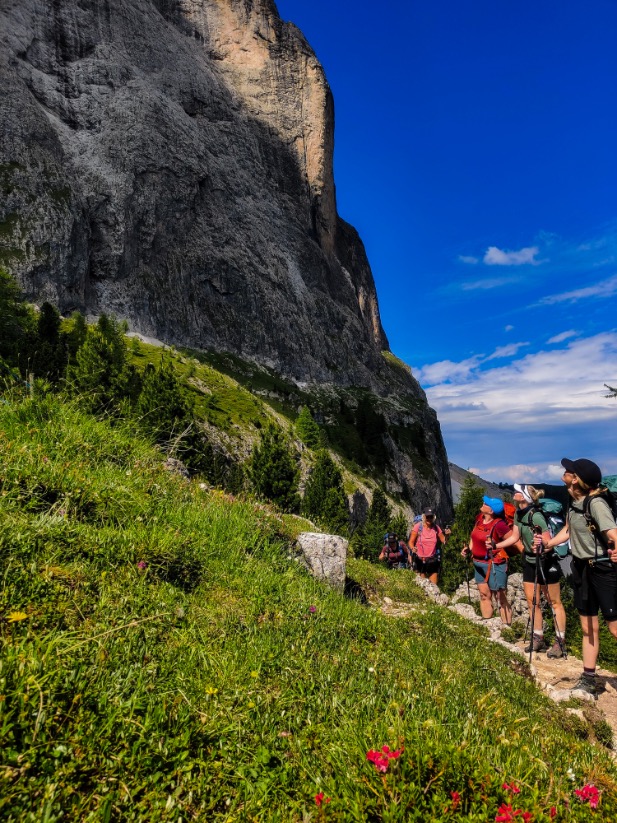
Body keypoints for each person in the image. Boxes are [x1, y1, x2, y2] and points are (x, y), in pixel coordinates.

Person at [542, 458, 617, 696]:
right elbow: (568, 529)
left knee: (615, 627)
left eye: (569, 470)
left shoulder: (595, 504)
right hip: (582, 568)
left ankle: (590, 678)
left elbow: (613, 533)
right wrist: (548, 544)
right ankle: (589, 677)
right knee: (588, 627)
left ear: (576, 479)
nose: (564, 471)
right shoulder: (574, 502)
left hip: (603, 570)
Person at [494, 484, 566, 657]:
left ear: (525, 497)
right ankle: (538, 637)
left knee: (554, 602)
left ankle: (560, 641)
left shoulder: (537, 516)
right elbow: (514, 537)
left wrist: (540, 547)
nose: (515, 493)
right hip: (529, 560)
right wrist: (496, 546)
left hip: (546, 562)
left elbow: (548, 544)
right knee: (531, 601)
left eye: (518, 492)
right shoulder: (519, 514)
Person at [461, 497, 512, 624]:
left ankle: (506, 629)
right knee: (484, 595)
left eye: (485, 503)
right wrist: (469, 549)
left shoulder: (499, 525)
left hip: (495, 564)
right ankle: (488, 625)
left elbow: (512, 539)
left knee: (500, 597)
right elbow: (474, 536)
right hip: (478, 563)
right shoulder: (480, 519)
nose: (482, 503)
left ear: (491, 510)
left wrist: (496, 545)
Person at [408, 507, 445, 585]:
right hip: (419, 559)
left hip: (432, 560)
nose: (429, 519)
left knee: (434, 587)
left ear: (433, 517)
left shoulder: (436, 528)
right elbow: (411, 542)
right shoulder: (418, 527)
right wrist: (412, 548)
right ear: (424, 517)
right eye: (427, 517)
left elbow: (444, 541)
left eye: (431, 517)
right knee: (422, 586)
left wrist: (447, 535)